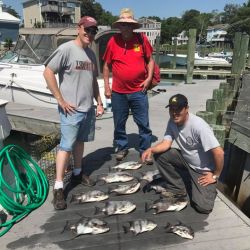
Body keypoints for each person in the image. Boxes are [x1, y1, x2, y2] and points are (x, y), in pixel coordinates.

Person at [43, 16, 104, 210]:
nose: (90, 34)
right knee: (65, 146)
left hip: (88, 109)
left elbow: (93, 81)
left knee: (80, 142)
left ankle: (78, 173)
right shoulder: (66, 49)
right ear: (79, 28)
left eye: (93, 31)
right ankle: (59, 187)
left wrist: (99, 101)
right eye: (87, 30)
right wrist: (60, 99)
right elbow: (48, 72)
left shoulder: (91, 54)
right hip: (71, 110)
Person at [141, 94, 224, 214]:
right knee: (160, 155)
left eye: (178, 109)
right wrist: (151, 149)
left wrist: (215, 175)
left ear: (186, 109)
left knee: (203, 207)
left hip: (203, 170)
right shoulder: (172, 122)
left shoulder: (199, 126)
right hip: (186, 160)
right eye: (172, 109)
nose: (174, 113)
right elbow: (166, 143)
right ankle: (177, 189)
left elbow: (219, 152)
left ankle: (209, 189)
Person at [103, 8, 154, 163]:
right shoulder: (113, 41)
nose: (126, 27)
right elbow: (106, 66)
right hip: (118, 92)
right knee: (119, 122)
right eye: (123, 24)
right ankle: (122, 146)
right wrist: (106, 86)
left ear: (133, 26)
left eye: (128, 24)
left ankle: (145, 150)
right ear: (119, 26)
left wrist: (149, 79)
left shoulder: (142, 39)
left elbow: (150, 60)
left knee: (143, 123)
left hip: (139, 90)